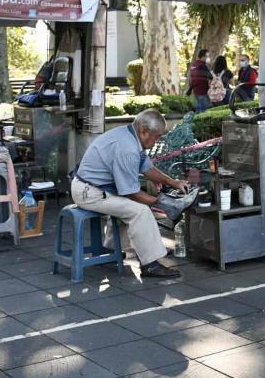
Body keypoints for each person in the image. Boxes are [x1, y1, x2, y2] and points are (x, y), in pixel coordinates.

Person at [70, 109, 189, 278]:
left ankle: (111, 250)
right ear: (144, 131)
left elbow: (147, 168)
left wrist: (173, 182)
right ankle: (150, 264)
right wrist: (161, 202)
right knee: (139, 211)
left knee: (127, 208)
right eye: (157, 136)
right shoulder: (127, 148)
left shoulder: (129, 136)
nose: (158, 141)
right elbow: (131, 192)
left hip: (93, 187)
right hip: (89, 192)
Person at [188, 49, 212, 113]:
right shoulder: (203, 66)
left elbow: (191, 77)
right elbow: (210, 77)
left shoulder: (194, 64)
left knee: (198, 110)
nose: (208, 58)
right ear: (203, 57)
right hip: (203, 91)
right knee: (204, 112)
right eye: (207, 56)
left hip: (195, 91)